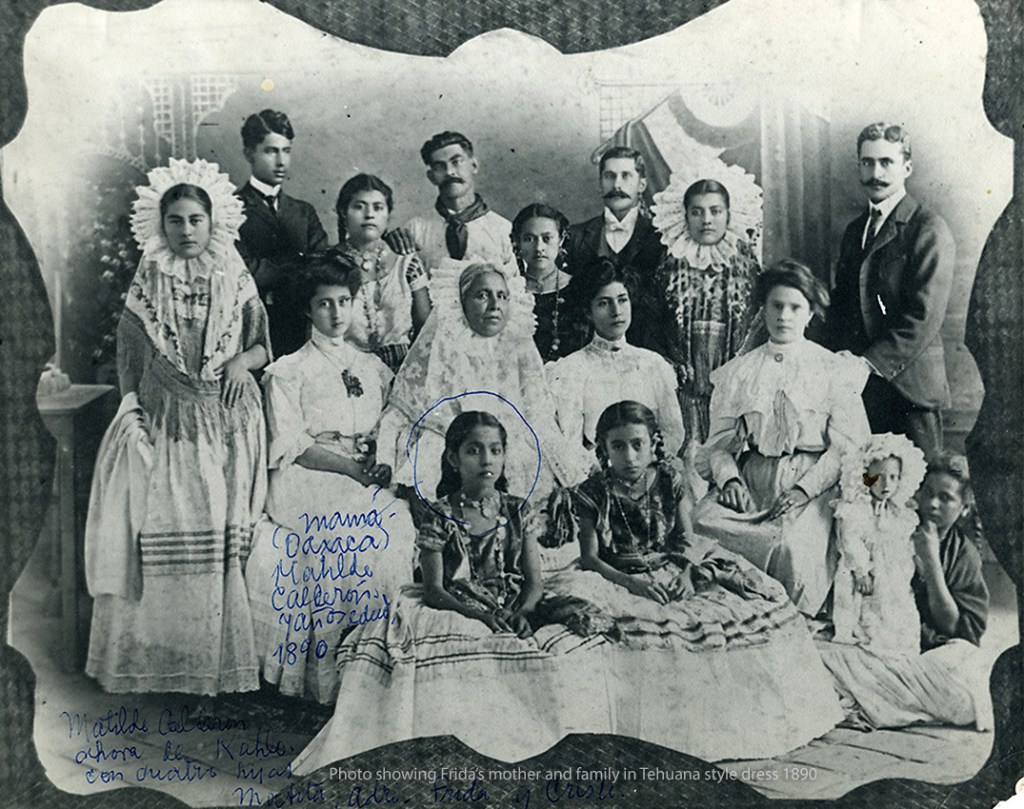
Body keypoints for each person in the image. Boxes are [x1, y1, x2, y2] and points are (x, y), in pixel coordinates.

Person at [291, 412, 609, 771]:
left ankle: (534, 752)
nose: (487, 460)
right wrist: (482, 615)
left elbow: (535, 581)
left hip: (515, 600)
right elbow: (435, 590)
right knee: (467, 652)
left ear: (505, 456)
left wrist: (522, 611)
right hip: (458, 604)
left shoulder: (518, 510)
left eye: (495, 450)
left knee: (568, 651)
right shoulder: (440, 515)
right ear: (453, 459)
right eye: (474, 451)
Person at [540, 400, 845, 757]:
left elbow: (687, 538)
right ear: (604, 449)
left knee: (743, 609)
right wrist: (633, 583)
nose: (629, 456)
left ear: (653, 442)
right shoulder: (592, 492)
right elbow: (590, 558)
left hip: (675, 564)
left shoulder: (669, 476)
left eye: (637, 444)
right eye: (618, 446)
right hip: (618, 574)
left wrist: (687, 572)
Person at [84, 158, 270, 694]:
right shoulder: (149, 279)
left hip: (226, 424)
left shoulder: (234, 274)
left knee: (219, 548)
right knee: (163, 534)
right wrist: (134, 414)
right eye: (176, 221)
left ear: (213, 225)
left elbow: (261, 344)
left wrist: (241, 362)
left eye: (195, 220)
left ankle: (212, 672)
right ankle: (162, 669)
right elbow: (128, 358)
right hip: (167, 426)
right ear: (160, 226)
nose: (186, 231)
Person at [243, 254, 417, 703]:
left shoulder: (373, 367)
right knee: (343, 533)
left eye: (345, 301)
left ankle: (374, 672)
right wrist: (351, 469)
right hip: (309, 476)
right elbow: (292, 444)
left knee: (394, 526)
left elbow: (389, 426)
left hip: (361, 473)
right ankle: (330, 681)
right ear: (308, 310)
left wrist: (380, 461)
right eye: (325, 304)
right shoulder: (288, 371)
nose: (337, 314)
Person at [692, 260, 871, 617]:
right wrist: (729, 478)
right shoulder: (741, 372)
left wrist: (804, 489)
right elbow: (720, 444)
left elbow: (848, 448)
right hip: (753, 477)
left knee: (788, 546)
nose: (784, 316)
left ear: (810, 314)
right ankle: (737, 614)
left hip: (812, 482)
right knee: (701, 524)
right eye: (776, 306)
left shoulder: (831, 369)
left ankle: (789, 620)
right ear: (764, 309)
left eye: (795, 307)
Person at [375, 260, 590, 502]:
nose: (495, 305)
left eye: (502, 296)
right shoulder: (443, 345)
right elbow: (410, 411)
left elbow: (537, 413)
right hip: (449, 444)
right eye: (482, 295)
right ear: (460, 303)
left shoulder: (518, 345)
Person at [817, 452, 992, 730]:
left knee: (968, 681)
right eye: (927, 492)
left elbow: (960, 630)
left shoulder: (963, 554)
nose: (932, 503)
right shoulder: (896, 525)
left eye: (946, 498)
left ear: (964, 508)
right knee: (826, 658)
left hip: (932, 650)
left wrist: (932, 561)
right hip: (881, 638)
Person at [821, 122, 955, 460]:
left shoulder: (928, 228)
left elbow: (923, 317)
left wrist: (868, 364)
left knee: (916, 494)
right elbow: (843, 305)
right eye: (867, 163)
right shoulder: (856, 231)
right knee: (865, 491)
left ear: (907, 168)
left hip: (911, 392)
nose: (875, 173)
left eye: (886, 163)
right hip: (862, 390)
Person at [650, 177, 762, 445]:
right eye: (697, 212)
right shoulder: (666, 268)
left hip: (734, 392)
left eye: (715, 211)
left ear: (728, 214)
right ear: (685, 216)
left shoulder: (749, 267)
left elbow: (759, 328)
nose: (706, 220)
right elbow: (653, 328)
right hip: (682, 392)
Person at [547, 262, 684, 457]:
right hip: (595, 479)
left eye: (622, 300)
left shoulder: (653, 365)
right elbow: (570, 446)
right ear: (588, 311)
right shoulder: (571, 370)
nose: (616, 311)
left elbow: (672, 434)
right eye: (604, 303)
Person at [235, 109, 329, 357]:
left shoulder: (303, 212)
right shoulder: (230, 209)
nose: (281, 161)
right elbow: (243, 272)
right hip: (249, 331)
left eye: (286, 151)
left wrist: (273, 271)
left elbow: (321, 267)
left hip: (303, 329)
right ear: (249, 153)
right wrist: (299, 262)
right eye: (271, 151)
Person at [830, 433, 928, 654]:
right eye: (879, 477)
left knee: (898, 604)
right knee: (867, 609)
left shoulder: (898, 510)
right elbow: (850, 540)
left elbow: (904, 542)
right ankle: (869, 636)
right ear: (865, 478)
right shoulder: (857, 509)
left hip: (893, 570)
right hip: (867, 570)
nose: (886, 485)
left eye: (893, 477)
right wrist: (862, 571)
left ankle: (899, 643)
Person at [564, 146, 665, 352]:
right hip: (588, 350)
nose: (617, 184)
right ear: (600, 184)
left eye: (626, 176)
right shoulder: (576, 236)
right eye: (609, 176)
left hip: (649, 351)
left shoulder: (662, 237)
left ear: (642, 184)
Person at [330, 173, 431, 372]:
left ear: (388, 215)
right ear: (343, 213)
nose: (369, 215)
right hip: (348, 371)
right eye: (359, 207)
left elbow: (426, 330)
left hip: (405, 371)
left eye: (378, 207)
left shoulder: (407, 264)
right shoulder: (330, 264)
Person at [391, 131, 515, 276]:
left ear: (474, 165)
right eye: (439, 166)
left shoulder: (503, 230)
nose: (449, 172)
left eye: (456, 162)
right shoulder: (414, 230)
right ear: (431, 177)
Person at [510, 202, 587, 361]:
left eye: (547, 238)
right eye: (529, 239)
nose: (539, 247)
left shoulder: (579, 288)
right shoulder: (509, 290)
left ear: (561, 239)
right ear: (517, 242)